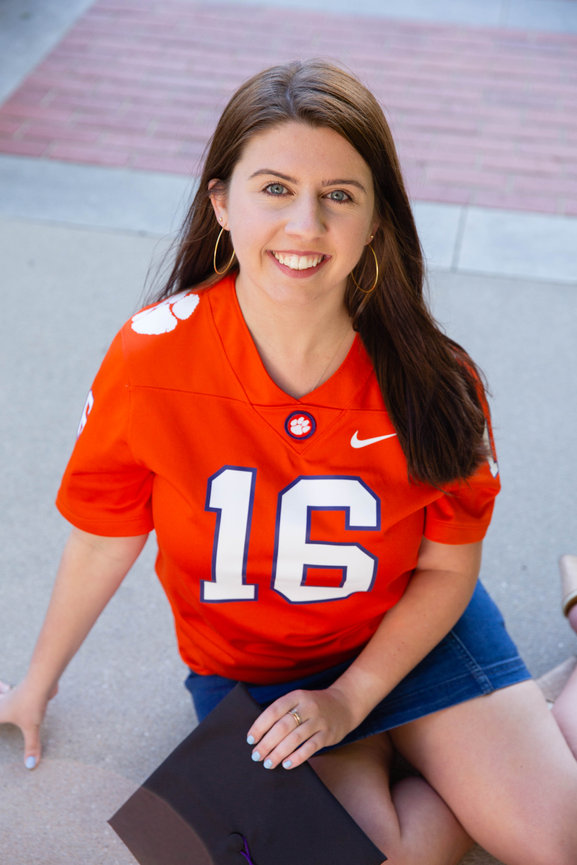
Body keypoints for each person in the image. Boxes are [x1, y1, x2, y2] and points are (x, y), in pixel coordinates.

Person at [1, 60, 576, 865]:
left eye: (339, 195)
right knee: (371, 856)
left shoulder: (431, 378)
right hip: (261, 675)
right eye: (274, 188)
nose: (304, 224)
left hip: (410, 634)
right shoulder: (150, 359)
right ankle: (462, 745)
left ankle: (496, 708)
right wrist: (38, 681)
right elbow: (103, 533)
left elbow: (445, 572)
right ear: (220, 202)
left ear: (376, 219)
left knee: (557, 843)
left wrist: (351, 700)